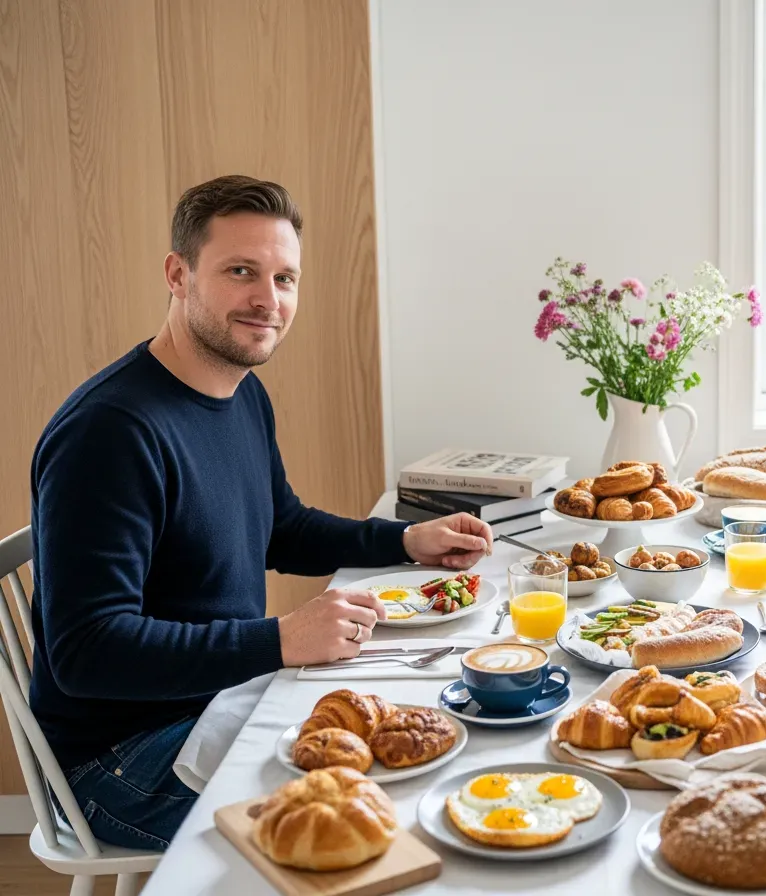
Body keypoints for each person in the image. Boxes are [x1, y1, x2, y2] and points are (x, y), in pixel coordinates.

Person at [28, 175, 493, 851]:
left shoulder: (241, 391)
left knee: (431, 739)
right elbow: (86, 651)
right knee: (386, 817)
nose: (267, 300)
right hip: (120, 762)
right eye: (241, 271)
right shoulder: (109, 433)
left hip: (222, 699)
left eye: (285, 278)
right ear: (177, 274)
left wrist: (407, 539)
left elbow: (282, 527)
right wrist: (278, 640)